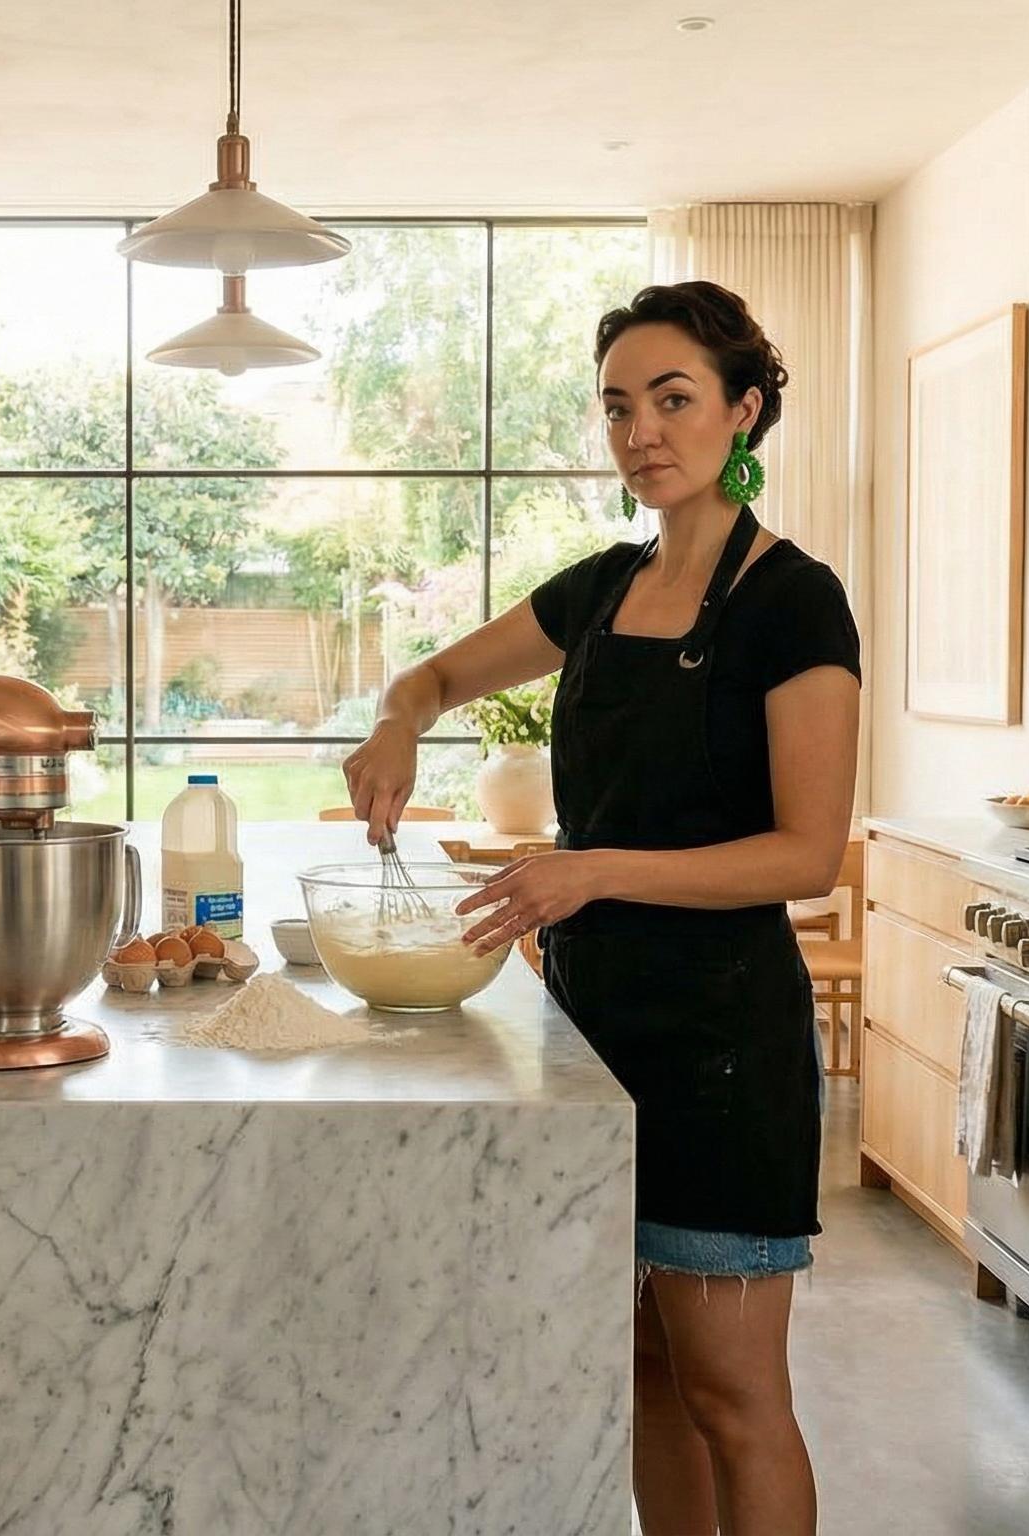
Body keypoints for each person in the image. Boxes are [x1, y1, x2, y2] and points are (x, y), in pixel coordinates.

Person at [341, 280, 860, 1535]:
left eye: (673, 399)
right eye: (619, 406)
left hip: (719, 1049)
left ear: (743, 411)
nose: (642, 432)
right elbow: (431, 677)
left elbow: (805, 855)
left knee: (734, 1393)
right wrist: (397, 721)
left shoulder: (792, 601)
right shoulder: (600, 590)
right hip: (588, 1041)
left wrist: (590, 869)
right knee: (641, 1371)